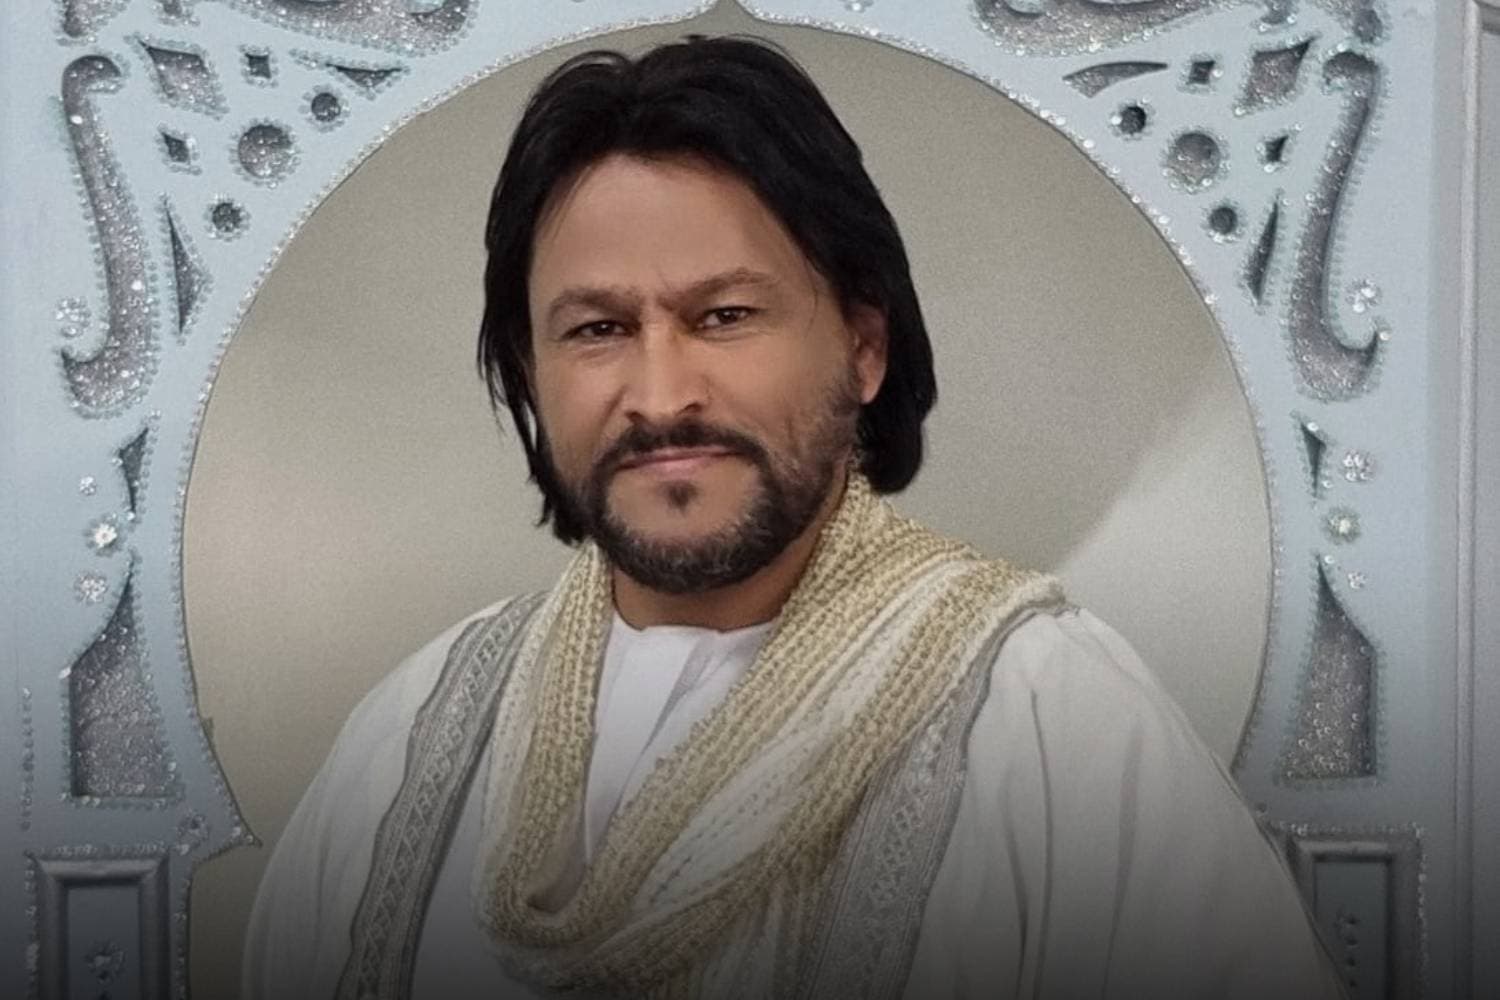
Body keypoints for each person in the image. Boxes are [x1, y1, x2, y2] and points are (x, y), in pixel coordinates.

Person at [242, 34, 1347, 1000]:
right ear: (532, 376)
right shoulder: (412, 739)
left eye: (724, 315)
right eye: (597, 330)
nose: (661, 393)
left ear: (863, 348)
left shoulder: (1057, 722)